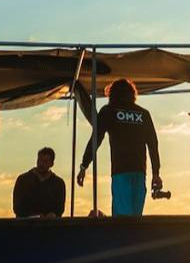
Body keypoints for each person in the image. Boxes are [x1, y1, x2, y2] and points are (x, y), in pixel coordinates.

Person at [77, 78, 162, 216]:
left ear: (112, 94)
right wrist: (156, 173)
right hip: (140, 172)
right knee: (135, 218)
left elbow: (96, 140)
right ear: (132, 94)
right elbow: (153, 144)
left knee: (122, 219)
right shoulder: (143, 114)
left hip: (120, 172)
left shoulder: (108, 111)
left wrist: (84, 166)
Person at [13, 147, 67, 218]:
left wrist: (53, 214)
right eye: (40, 160)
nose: (41, 164)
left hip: (50, 225)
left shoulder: (58, 183)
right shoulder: (23, 180)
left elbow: (60, 208)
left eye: (45, 161)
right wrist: (34, 216)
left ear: (51, 164)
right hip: (25, 225)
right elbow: (17, 207)